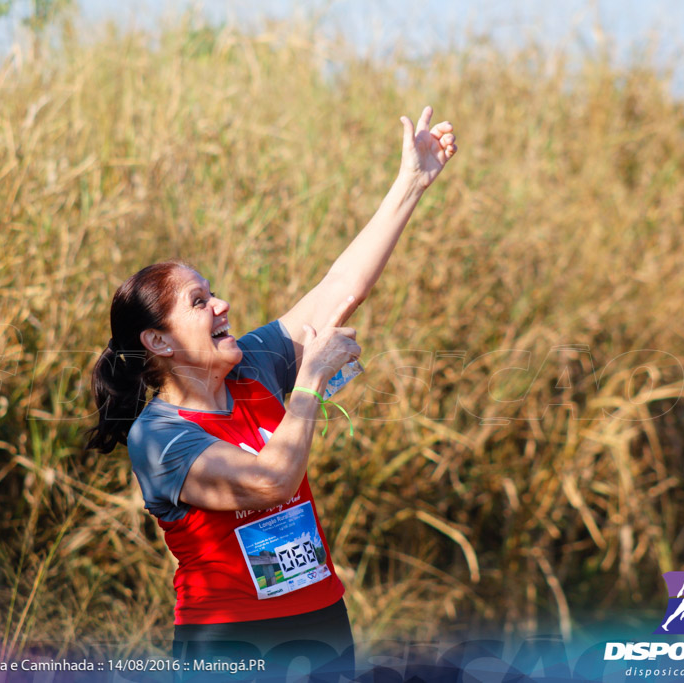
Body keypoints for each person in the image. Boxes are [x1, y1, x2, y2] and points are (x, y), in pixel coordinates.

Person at [87, 107, 456, 681]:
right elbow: (269, 481)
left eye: (214, 294)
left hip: (324, 624)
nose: (222, 306)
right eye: (199, 302)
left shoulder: (251, 368)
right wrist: (310, 378)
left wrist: (411, 180)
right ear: (157, 340)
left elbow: (340, 289)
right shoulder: (158, 437)